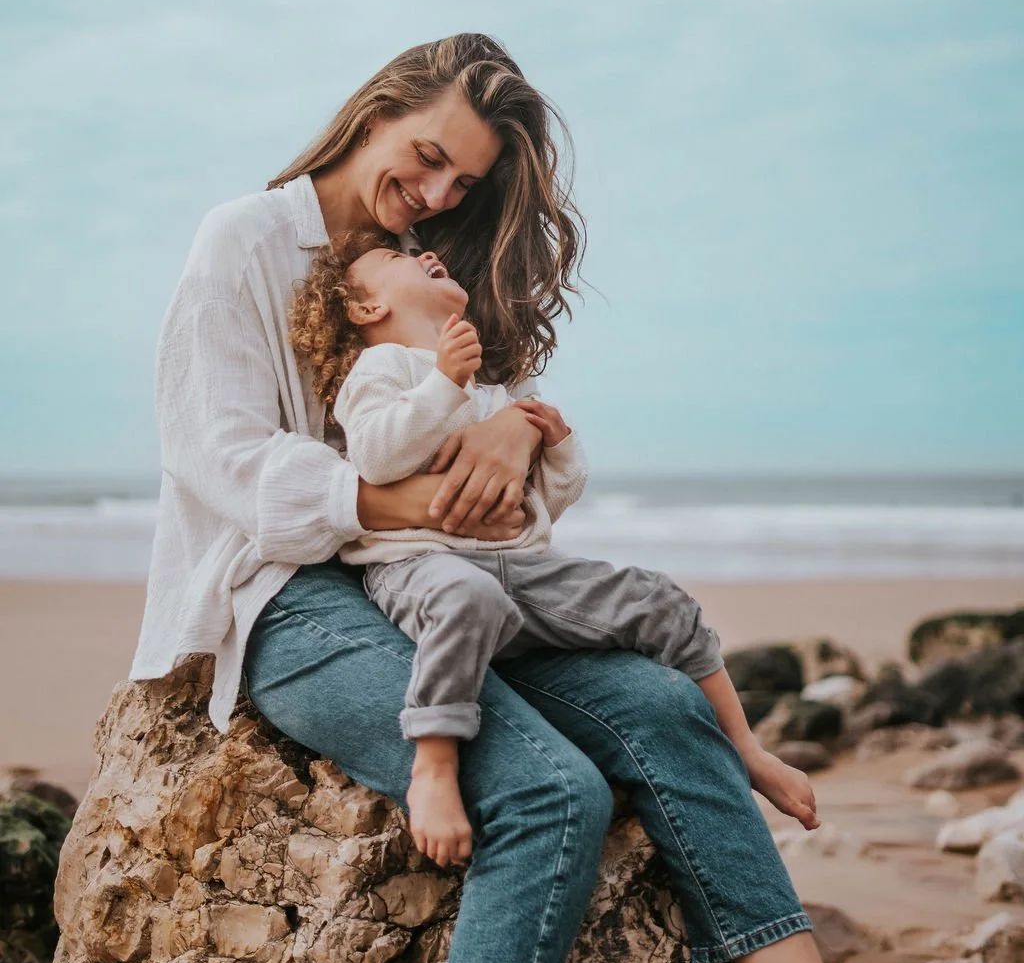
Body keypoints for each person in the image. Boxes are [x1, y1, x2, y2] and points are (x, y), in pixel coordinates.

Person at [131, 33, 905, 963]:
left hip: (452, 572)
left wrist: (519, 435)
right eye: (428, 154)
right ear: (376, 109)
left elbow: (506, 428)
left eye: (465, 181)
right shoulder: (245, 240)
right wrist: (394, 499)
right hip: (289, 592)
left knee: (667, 709)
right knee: (547, 788)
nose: (437, 191)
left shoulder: (440, 263)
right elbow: (215, 458)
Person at [288, 234, 819, 870]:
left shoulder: (490, 391)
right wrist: (441, 384)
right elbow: (376, 456)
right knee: (468, 598)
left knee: (660, 599)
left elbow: (545, 501)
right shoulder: (383, 371)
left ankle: (748, 750)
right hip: (418, 566)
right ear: (366, 309)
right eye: (401, 259)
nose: (428, 254)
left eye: (430, 252)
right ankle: (433, 766)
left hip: (521, 571)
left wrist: (556, 446)